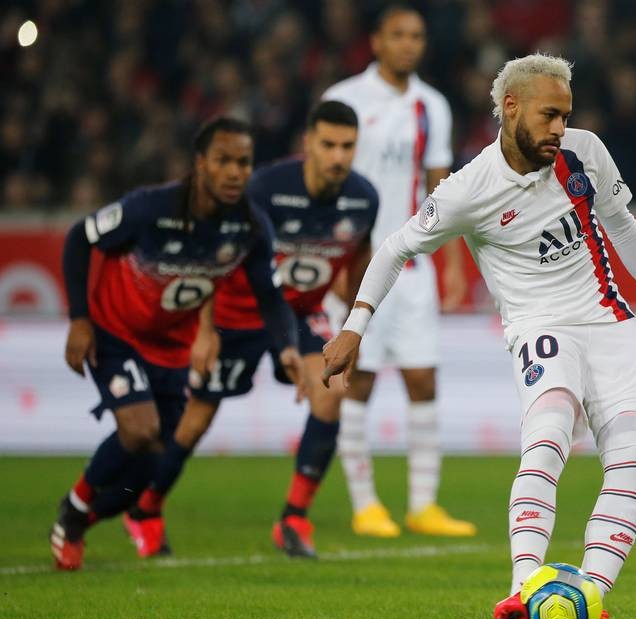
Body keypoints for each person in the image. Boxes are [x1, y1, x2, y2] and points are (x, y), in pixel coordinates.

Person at [321, 54, 636, 619]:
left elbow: (623, 226)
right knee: (550, 433)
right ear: (511, 108)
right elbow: (395, 249)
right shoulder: (467, 190)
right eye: (549, 115)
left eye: (565, 116)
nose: (559, 128)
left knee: (631, 454)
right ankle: (523, 587)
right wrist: (355, 325)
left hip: (608, 320)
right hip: (538, 324)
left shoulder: (585, 152)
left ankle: (588, 601)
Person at [122, 101, 379, 559]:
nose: (338, 156)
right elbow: (209, 250)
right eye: (328, 145)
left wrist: (349, 326)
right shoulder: (264, 189)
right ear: (308, 145)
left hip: (300, 313)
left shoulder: (364, 198)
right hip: (235, 314)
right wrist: (204, 327)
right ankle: (146, 508)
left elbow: (360, 257)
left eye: (347, 146)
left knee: (332, 392)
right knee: (196, 420)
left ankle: (294, 519)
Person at [51, 117, 301, 571]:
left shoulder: (250, 226)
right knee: (140, 431)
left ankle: (83, 516)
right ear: (200, 164)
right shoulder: (150, 207)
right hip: (115, 331)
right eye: (223, 161)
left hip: (171, 346)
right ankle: (74, 506)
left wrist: (286, 346)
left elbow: (270, 294)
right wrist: (79, 319)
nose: (234, 172)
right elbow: (78, 238)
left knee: (156, 458)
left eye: (243, 163)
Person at [321, 4, 474, 538]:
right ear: (376, 41)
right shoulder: (344, 100)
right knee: (358, 378)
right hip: (356, 263)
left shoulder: (432, 106)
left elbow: (443, 189)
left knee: (422, 377)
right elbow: (324, 184)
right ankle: (365, 504)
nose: (409, 44)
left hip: (414, 264)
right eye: (399, 35)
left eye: (417, 36)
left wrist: (452, 261)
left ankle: (422, 505)